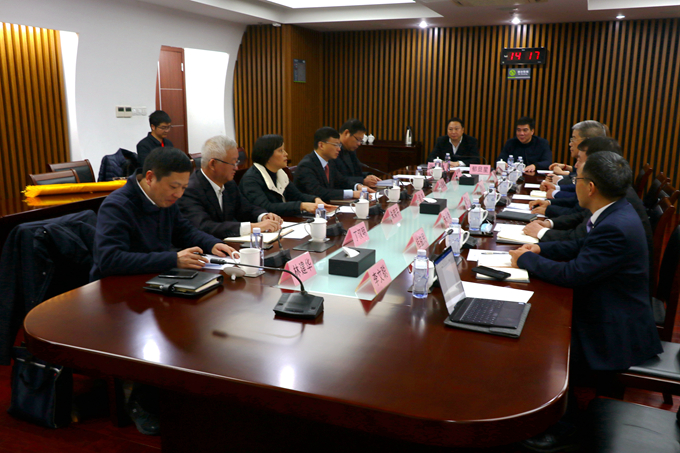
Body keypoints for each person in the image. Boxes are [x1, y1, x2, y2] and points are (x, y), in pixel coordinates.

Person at [510, 151, 662, 452]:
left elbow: (575, 274)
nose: (573, 182)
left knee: (544, 343)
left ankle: (564, 427)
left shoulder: (616, 225)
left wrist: (527, 260)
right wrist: (541, 250)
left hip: (614, 327)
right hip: (609, 305)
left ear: (590, 187)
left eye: (577, 178)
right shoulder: (615, 210)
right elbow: (583, 245)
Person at [91, 146, 237, 435]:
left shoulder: (165, 200)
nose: (179, 194)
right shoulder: (117, 205)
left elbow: (184, 230)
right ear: (150, 177)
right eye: (174, 186)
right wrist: (171, 259)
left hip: (155, 281)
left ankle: (185, 390)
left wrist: (212, 243)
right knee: (172, 330)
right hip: (118, 295)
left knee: (207, 316)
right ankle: (141, 400)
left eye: (183, 187)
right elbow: (109, 260)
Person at [178, 136, 282, 238]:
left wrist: (263, 216)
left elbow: (246, 209)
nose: (236, 168)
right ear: (213, 164)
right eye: (233, 163)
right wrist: (253, 227)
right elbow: (204, 226)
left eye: (237, 162)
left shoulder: (229, 184)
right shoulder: (190, 190)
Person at [239, 134, 337, 216]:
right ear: (267, 155)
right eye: (280, 150)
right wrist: (301, 206)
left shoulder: (280, 173)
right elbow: (266, 207)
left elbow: (296, 195)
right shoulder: (251, 179)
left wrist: (315, 199)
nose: (286, 154)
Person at [294, 127, 376, 203]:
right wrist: (352, 193)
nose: (339, 149)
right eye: (336, 145)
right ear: (321, 145)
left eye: (339, 145)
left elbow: (341, 181)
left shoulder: (330, 162)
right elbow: (318, 192)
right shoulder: (306, 165)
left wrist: (358, 186)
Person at [540, 120, 609, 198]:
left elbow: (579, 198)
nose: (570, 144)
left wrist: (555, 192)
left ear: (587, 141)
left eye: (573, 139)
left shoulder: (601, 166)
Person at [337, 119, 381, 187]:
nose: (359, 144)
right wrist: (362, 181)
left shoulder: (350, 150)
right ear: (346, 133)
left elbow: (356, 174)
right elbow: (336, 179)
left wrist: (368, 176)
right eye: (358, 139)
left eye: (361, 141)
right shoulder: (332, 150)